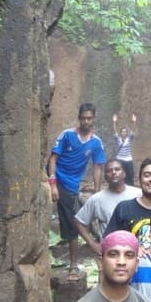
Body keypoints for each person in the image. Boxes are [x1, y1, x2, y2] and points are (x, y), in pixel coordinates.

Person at [48, 102, 107, 282]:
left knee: (79, 214)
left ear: (93, 119)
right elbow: (52, 159)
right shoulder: (66, 135)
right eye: (83, 118)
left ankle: (88, 251)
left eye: (89, 118)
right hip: (60, 179)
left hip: (74, 185)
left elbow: (98, 167)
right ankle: (73, 264)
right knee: (74, 222)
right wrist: (52, 183)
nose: (86, 121)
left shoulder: (96, 142)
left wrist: (97, 194)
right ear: (79, 118)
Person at [74, 159, 141, 256]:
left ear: (124, 173)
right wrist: (92, 244)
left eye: (117, 169)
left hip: (137, 251)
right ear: (105, 176)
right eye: (109, 171)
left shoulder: (138, 194)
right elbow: (78, 222)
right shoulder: (97, 199)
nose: (113, 172)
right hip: (110, 252)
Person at [104, 158, 151, 251]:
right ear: (139, 179)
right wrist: (133, 248)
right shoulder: (124, 208)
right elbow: (109, 242)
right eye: (147, 175)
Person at [113, 113, 137, 185]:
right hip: (120, 159)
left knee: (130, 175)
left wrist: (134, 122)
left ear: (127, 133)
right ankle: (119, 186)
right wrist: (114, 122)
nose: (124, 133)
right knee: (119, 174)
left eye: (125, 132)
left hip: (128, 159)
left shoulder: (129, 139)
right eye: (122, 132)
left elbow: (133, 130)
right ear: (121, 133)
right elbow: (115, 131)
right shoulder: (118, 139)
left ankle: (130, 187)